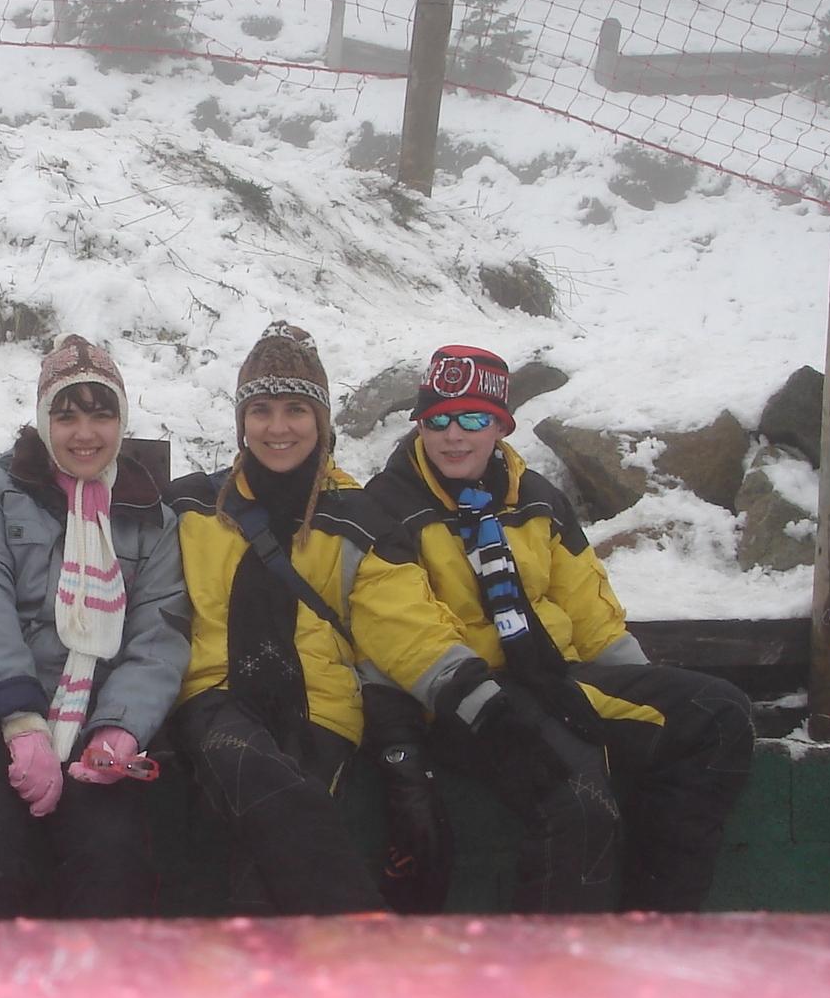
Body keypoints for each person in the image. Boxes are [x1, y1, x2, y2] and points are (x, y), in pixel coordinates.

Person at [164, 321, 597, 916]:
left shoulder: (357, 516)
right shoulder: (192, 506)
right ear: (242, 422)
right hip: (218, 695)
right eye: (261, 410)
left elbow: (404, 627)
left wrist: (492, 715)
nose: (278, 427)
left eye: (296, 409)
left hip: (319, 707)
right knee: (255, 776)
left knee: (259, 865)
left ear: (321, 420)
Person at [365, 344, 755, 912]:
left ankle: (655, 925)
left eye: (472, 419)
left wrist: (639, 692)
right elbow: (401, 628)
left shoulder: (537, 499)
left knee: (716, 716)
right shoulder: (384, 507)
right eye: (437, 420)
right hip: (460, 702)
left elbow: (589, 611)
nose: (453, 436)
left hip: (551, 679)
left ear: (500, 425)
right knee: (575, 795)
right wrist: (486, 707)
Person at [0, 335, 189, 917]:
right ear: (42, 419)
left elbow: (158, 636)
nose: (84, 434)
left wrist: (118, 730)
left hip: (99, 716)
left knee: (113, 863)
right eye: (66, 415)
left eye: (101, 416)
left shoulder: (152, 518)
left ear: (121, 422)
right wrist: (21, 720)